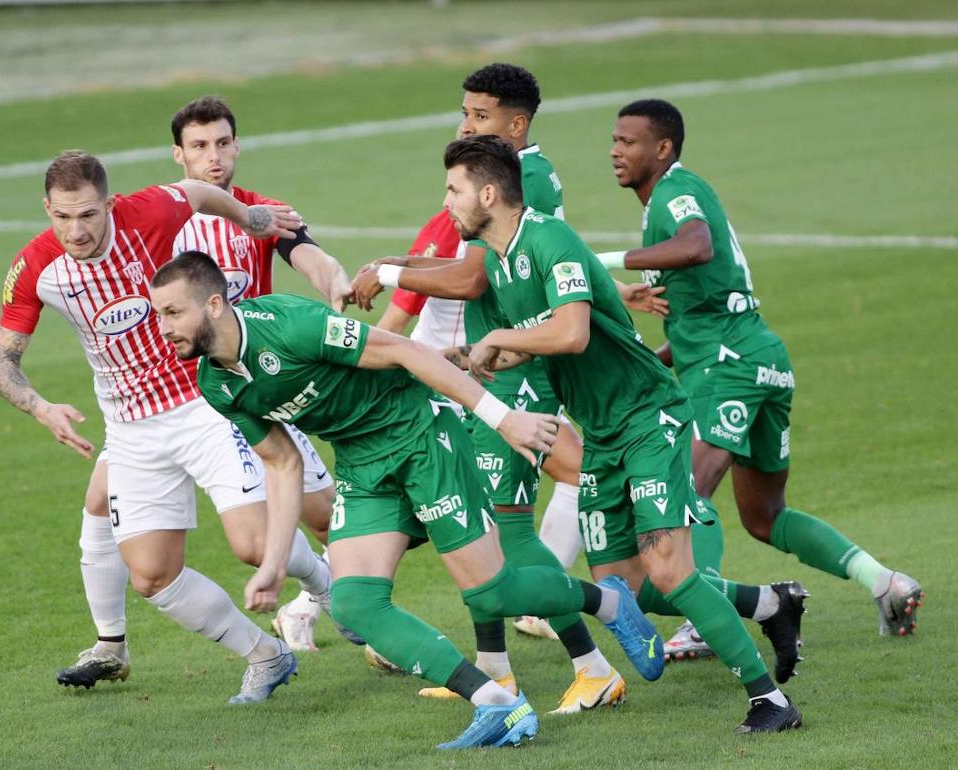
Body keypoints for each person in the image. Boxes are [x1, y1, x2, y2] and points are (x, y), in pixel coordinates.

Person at [149, 251, 668, 749]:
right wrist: (274, 562)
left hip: (420, 434)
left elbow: (406, 350)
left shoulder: (289, 326)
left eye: (173, 312)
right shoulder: (216, 384)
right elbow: (283, 463)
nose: (164, 327)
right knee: (355, 603)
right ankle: (496, 705)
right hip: (362, 463)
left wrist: (503, 419)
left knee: (494, 594)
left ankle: (610, 601)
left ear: (214, 305)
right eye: (158, 315)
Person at [442, 135, 804, 733]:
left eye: (454, 189)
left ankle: (770, 700)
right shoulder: (503, 264)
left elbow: (572, 333)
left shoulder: (548, 240)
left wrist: (501, 340)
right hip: (603, 432)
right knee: (623, 590)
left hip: (648, 416)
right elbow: (537, 350)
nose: (447, 202)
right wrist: (463, 360)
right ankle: (771, 603)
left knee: (668, 569)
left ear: (488, 193)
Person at [354, 62, 659, 713]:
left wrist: (388, 271)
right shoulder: (501, 193)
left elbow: (474, 280)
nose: (467, 125)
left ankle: (595, 660)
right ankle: (497, 669)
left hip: (516, 379)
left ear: (515, 125)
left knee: (508, 537)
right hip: (486, 372)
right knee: (480, 530)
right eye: (465, 114)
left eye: (480, 117)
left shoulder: (528, 185)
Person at [0, 150, 325, 705]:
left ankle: (322, 583)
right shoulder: (36, 267)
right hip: (131, 429)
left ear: (110, 204)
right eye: (63, 216)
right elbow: (1, 362)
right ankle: (266, 654)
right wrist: (41, 408)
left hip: (204, 404)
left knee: (255, 545)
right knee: (150, 576)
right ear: (46, 209)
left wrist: (249, 219)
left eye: (89, 215)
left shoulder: (150, 211)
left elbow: (198, 193)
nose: (76, 230)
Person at [599, 99, 923, 651]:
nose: (615, 151)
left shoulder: (677, 193)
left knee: (683, 493)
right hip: (757, 358)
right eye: (614, 140)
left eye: (628, 142)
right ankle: (884, 582)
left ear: (663, 148)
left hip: (730, 369)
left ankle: (706, 615)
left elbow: (697, 247)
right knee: (763, 516)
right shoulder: (668, 203)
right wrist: (650, 365)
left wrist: (605, 259)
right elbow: (702, 315)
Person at [70, 96, 355, 669]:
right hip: (156, 401)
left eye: (223, 143)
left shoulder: (258, 212)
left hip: (244, 391)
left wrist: (335, 281)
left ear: (237, 145)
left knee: (322, 515)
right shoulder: (152, 217)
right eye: (199, 146)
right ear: (178, 154)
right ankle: (109, 642)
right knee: (100, 498)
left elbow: (308, 254)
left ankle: (346, 606)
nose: (214, 157)